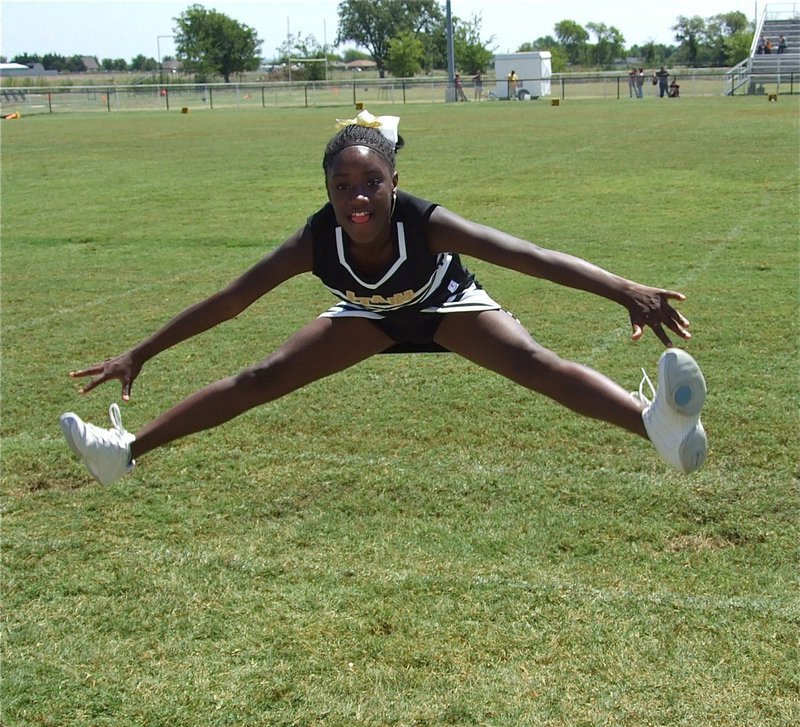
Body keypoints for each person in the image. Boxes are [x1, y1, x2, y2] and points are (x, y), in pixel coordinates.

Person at [59, 110, 708, 486]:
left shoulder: (427, 224)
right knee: (262, 376)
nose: (358, 197)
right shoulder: (313, 243)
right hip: (367, 315)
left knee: (536, 366)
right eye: (344, 186)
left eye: (372, 182)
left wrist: (624, 290)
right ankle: (124, 453)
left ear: (395, 182)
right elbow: (231, 301)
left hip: (445, 304)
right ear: (329, 191)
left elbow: (528, 256)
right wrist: (140, 353)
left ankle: (654, 425)